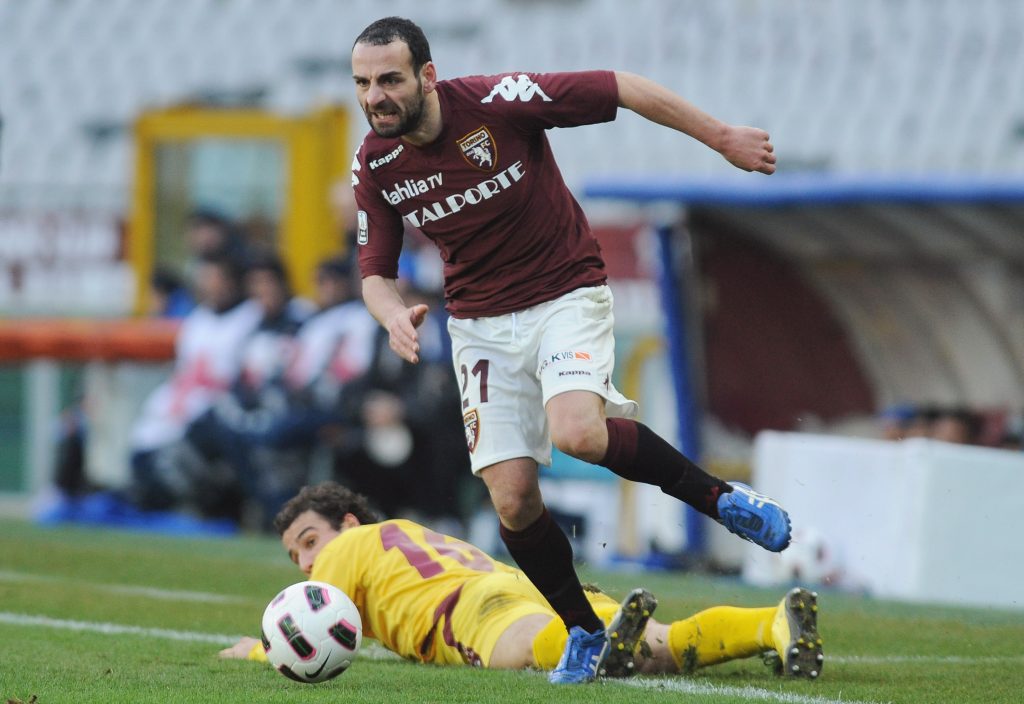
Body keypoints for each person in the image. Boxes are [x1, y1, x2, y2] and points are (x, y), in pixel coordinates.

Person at [348, 16, 791, 683]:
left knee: (579, 433)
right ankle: (585, 631)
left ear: (427, 76)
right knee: (512, 500)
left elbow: (622, 87)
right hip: (478, 326)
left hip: (563, 294)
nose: (375, 96)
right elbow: (374, 273)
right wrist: (391, 318)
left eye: (389, 80)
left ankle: (722, 499)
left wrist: (722, 136)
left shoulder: (498, 102)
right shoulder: (376, 163)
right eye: (362, 83)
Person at [219, 481, 824, 680]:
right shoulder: (399, 535)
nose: (307, 565)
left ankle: (595, 646)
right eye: (296, 556)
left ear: (347, 522)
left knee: (530, 649)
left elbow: (307, 631)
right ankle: (772, 626)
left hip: (471, 608)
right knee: (664, 648)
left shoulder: (346, 550)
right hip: (530, 583)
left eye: (309, 542)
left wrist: (257, 650)